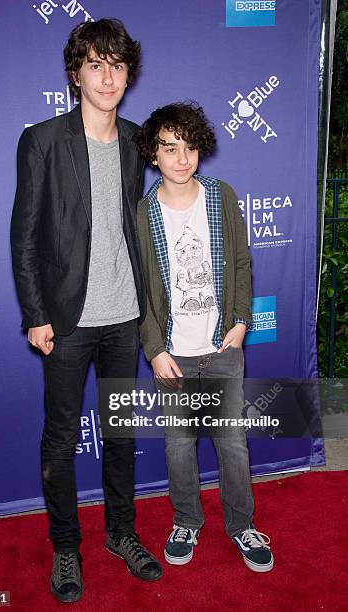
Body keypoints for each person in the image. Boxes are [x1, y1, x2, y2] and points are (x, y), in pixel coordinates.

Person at [10, 19, 162, 604]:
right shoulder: (43, 140)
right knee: (60, 437)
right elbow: (24, 236)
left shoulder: (133, 140)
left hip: (124, 316)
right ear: (76, 74)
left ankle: (122, 535)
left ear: (128, 76)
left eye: (118, 66)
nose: (108, 76)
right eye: (96, 65)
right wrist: (35, 313)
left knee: (120, 435)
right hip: (67, 321)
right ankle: (66, 547)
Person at [135, 102, 274, 572]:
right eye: (170, 148)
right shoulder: (142, 213)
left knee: (232, 444)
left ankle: (242, 524)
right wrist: (153, 349)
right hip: (172, 355)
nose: (182, 158)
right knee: (178, 446)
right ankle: (186, 520)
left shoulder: (220, 195)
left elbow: (240, 263)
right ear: (153, 153)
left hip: (221, 349)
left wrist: (239, 324)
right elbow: (139, 289)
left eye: (190, 147)